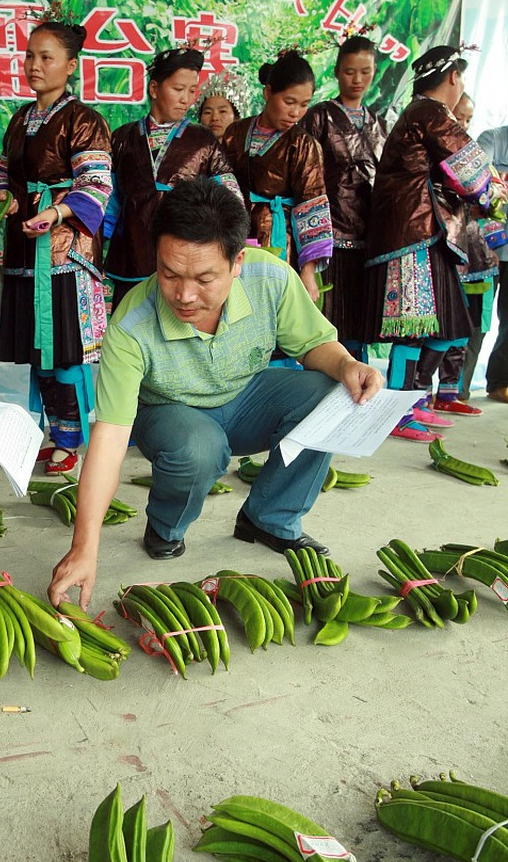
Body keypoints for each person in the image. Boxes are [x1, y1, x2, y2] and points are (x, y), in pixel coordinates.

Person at [48, 180, 383, 606]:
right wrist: (84, 546)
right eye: (169, 274)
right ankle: (166, 527)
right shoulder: (131, 324)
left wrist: (347, 365)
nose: (184, 295)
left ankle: (270, 519)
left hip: (247, 399)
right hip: (173, 415)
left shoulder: (271, 277)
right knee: (198, 447)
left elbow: (315, 344)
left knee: (328, 395)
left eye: (205, 278)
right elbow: (110, 437)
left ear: (237, 260)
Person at [363, 46, 503, 440]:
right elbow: (473, 173)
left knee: (442, 323)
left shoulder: (420, 114)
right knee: (412, 326)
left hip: (424, 231)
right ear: (454, 78)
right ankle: (396, 409)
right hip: (413, 233)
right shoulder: (430, 114)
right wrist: (495, 199)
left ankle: (413, 400)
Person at [0, 16, 112, 476]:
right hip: (26, 248)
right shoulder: (21, 117)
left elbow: (97, 183)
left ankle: (71, 439)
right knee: (38, 356)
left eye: (46, 57)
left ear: (71, 65)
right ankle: (54, 434)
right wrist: (3, 193)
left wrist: (57, 212)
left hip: (64, 253)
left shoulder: (85, 120)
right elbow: (3, 169)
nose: (33, 65)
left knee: (64, 352)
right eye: (29, 55)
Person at [102, 46, 241, 311]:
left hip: (184, 256)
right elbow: (110, 202)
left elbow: (228, 197)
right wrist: (100, 244)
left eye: (192, 91)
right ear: (154, 89)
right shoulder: (122, 138)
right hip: (129, 254)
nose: (186, 100)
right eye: (178, 89)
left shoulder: (203, 140)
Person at [301, 35, 388, 357]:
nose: (358, 79)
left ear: (375, 72)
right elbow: (306, 178)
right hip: (329, 236)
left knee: (359, 320)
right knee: (328, 317)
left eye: (365, 72)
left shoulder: (379, 124)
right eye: (350, 71)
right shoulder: (319, 117)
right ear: (337, 72)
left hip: (368, 239)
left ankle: (358, 391)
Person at [223, 50, 334, 304]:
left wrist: (308, 271)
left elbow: (311, 204)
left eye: (304, 105)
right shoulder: (235, 133)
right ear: (268, 92)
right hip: (236, 232)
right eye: (289, 101)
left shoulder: (304, 144)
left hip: (281, 240)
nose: (296, 112)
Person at [427, 94, 502, 412]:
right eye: (459, 116)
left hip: (480, 254)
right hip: (447, 250)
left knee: (471, 324)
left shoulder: (471, 151)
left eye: (469, 118)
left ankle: (453, 392)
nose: (464, 123)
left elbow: (491, 193)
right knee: (438, 325)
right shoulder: (440, 151)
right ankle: (417, 393)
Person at [478, 124, 508, 403]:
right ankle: (455, 389)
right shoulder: (493, 139)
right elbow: (477, 177)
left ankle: (500, 383)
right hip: (486, 249)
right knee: (476, 320)